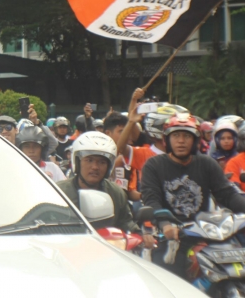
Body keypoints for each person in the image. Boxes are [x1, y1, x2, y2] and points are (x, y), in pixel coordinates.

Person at [141, 113, 245, 279]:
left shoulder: (206, 163)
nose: (181, 141)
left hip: (208, 234)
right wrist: (165, 224)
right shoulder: (154, 165)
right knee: (169, 277)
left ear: (195, 140)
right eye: (176, 135)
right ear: (167, 140)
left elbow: (227, 194)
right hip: (172, 238)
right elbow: (151, 199)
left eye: (186, 136)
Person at [56, 132, 154, 247]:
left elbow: (126, 223)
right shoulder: (58, 191)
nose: (95, 167)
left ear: (109, 166)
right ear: (77, 161)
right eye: (89, 160)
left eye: (102, 162)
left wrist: (140, 235)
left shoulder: (116, 193)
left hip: (108, 252)